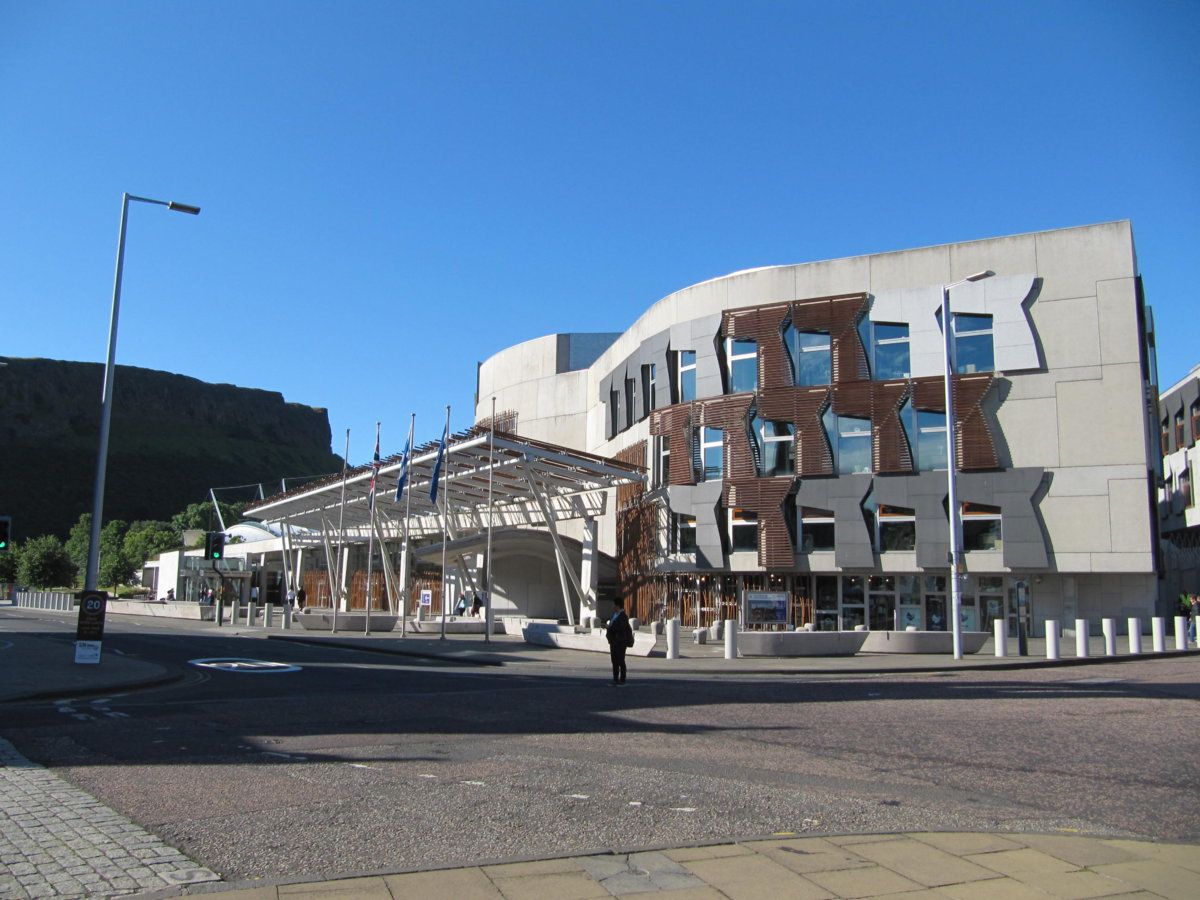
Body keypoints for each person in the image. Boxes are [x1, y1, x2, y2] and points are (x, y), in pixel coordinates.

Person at [602, 597, 635, 685]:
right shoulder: (614, 615)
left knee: (620, 660)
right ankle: (615, 678)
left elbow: (620, 628)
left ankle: (622, 679)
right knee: (614, 661)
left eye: (614, 604)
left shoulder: (623, 616)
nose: (612, 606)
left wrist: (610, 627)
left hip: (620, 641)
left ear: (617, 605)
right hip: (613, 641)